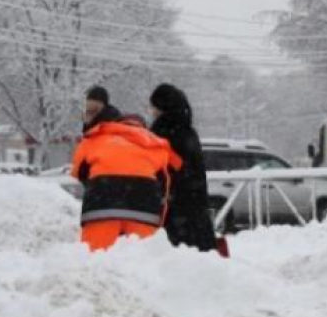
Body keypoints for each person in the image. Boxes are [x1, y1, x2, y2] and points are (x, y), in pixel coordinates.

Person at [72, 103, 181, 252]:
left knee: (95, 260)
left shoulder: (95, 139)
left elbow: (78, 171)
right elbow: (164, 189)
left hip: (100, 207)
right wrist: (159, 221)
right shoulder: (157, 146)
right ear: (144, 128)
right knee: (141, 262)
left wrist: (97, 184)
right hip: (143, 211)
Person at [150, 83, 218, 252]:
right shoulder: (188, 132)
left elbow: (170, 168)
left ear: (163, 107)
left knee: (175, 261)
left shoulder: (162, 133)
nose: (152, 111)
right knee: (196, 258)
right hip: (195, 210)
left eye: (154, 107)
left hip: (174, 210)